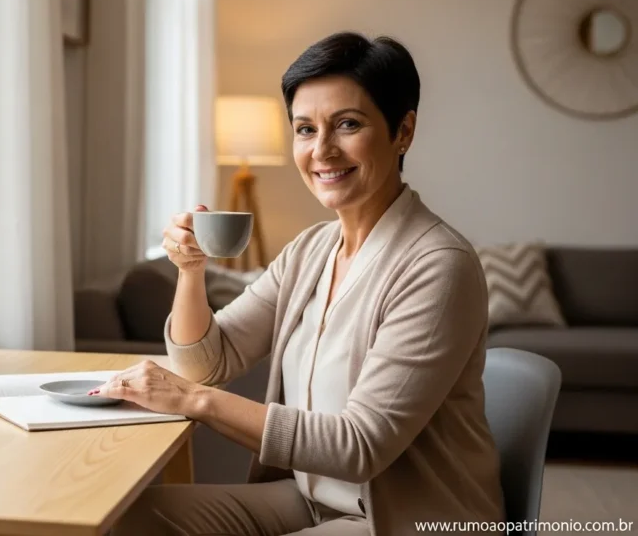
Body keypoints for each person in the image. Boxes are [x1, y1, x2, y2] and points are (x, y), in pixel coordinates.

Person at [94, 32, 505, 535]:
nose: (322, 150)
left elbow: (358, 447)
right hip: (311, 500)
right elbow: (206, 362)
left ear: (404, 131)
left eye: (347, 125)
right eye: (305, 129)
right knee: (128, 519)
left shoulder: (438, 266)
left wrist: (191, 401)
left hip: (410, 519)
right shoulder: (311, 249)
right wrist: (191, 270)